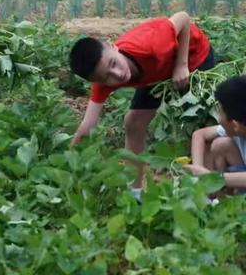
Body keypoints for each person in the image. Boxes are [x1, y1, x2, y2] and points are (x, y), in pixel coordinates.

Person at [69, 11, 214, 197]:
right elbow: (87, 126)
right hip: (155, 74)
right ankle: (134, 193)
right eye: (107, 77)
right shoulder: (105, 80)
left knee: (202, 122)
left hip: (194, 58)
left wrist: (181, 64)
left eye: (114, 63)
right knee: (134, 124)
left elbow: (184, 18)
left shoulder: (151, 43)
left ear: (112, 46)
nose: (118, 75)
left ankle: (209, 194)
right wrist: (69, 162)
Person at [185, 76, 246, 191]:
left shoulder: (238, 124)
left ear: (235, 125)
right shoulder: (240, 125)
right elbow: (199, 135)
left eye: (220, 111)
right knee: (221, 144)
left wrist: (211, 177)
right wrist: (198, 169)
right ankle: (222, 202)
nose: (218, 117)